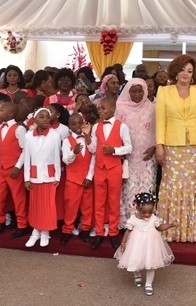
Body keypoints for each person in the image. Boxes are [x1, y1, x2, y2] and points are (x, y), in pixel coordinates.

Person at [155, 54, 196, 243]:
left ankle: (191, 231)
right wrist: (159, 146)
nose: (185, 74)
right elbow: (160, 121)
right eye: (182, 70)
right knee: (172, 186)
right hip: (172, 145)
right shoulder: (164, 91)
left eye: (189, 71)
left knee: (191, 188)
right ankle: (170, 230)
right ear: (175, 71)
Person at [88, 97, 132, 249]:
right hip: (99, 168)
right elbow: (93, 149)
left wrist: (114, 150)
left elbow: (129, 147)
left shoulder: (122, 127)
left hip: (114, 169)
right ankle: (99, 232)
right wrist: (87, 136)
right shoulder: (95, 127)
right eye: (99, 108)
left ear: (113, 109)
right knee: (98, 202)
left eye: (103, 108)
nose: (100, 111)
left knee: (114, 202)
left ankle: (113, 232)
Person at [114, 78, 157, 229]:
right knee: (128, 187)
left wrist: (154, 147)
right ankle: (128, 221)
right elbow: (116, 130)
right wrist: (121, 151)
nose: (138, 94)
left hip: (147, 156)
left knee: (146, 186)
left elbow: (157, 130)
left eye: (141, 91)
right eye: (134, 91)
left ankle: (146, 220)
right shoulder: (120, 107)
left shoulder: (151, 108)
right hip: (128, 156)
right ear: (128, 91)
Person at [114, 192, 176, 296]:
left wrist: (170, 225)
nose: (147, 215)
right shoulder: (133, 219)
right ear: (137, 207)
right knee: (135, 259)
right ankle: (137, 276)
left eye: (150, 212)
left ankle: (148, 284)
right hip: (136, 244)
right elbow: (128, 231)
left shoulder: (153, 219)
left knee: (151, 263)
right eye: (144, 212)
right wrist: (123, 242)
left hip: (151, 245)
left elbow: (159, 227)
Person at [23, 108, 61, 248]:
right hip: (34, 176)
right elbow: (27, 157)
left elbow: (57, 157)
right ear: (35, 119)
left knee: (47, 205)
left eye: (47, 117)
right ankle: (35, 231)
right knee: (35, 204)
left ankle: (45, 232)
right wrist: (26, 178)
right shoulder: (28, 136)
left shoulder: (55, 135)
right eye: (41, 117)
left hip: (49, 176)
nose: (45, 119)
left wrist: (57, 176)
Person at [0, 102, 28, 238]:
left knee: (18, 197)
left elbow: (25, 150)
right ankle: (0, 221)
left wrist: (17, 166)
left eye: (2, 110)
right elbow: (0, 150)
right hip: (2, 167)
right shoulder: (0, 129)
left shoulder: (19, 129)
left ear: (11, 114)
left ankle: (22, 224)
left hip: (14, 169)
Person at [60, 114, 95, 244]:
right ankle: (67, 230)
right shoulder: (67, 140)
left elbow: (93, 158)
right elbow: (66, 160)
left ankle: (85, 229)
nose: (77, 126)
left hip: (87, 179)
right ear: (69, 126)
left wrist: (89, 176)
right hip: (73, 179)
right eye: (73, 124)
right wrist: (73, 153)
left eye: (79, 122)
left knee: (88, 206)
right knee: (71, 206)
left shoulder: (89, 139)